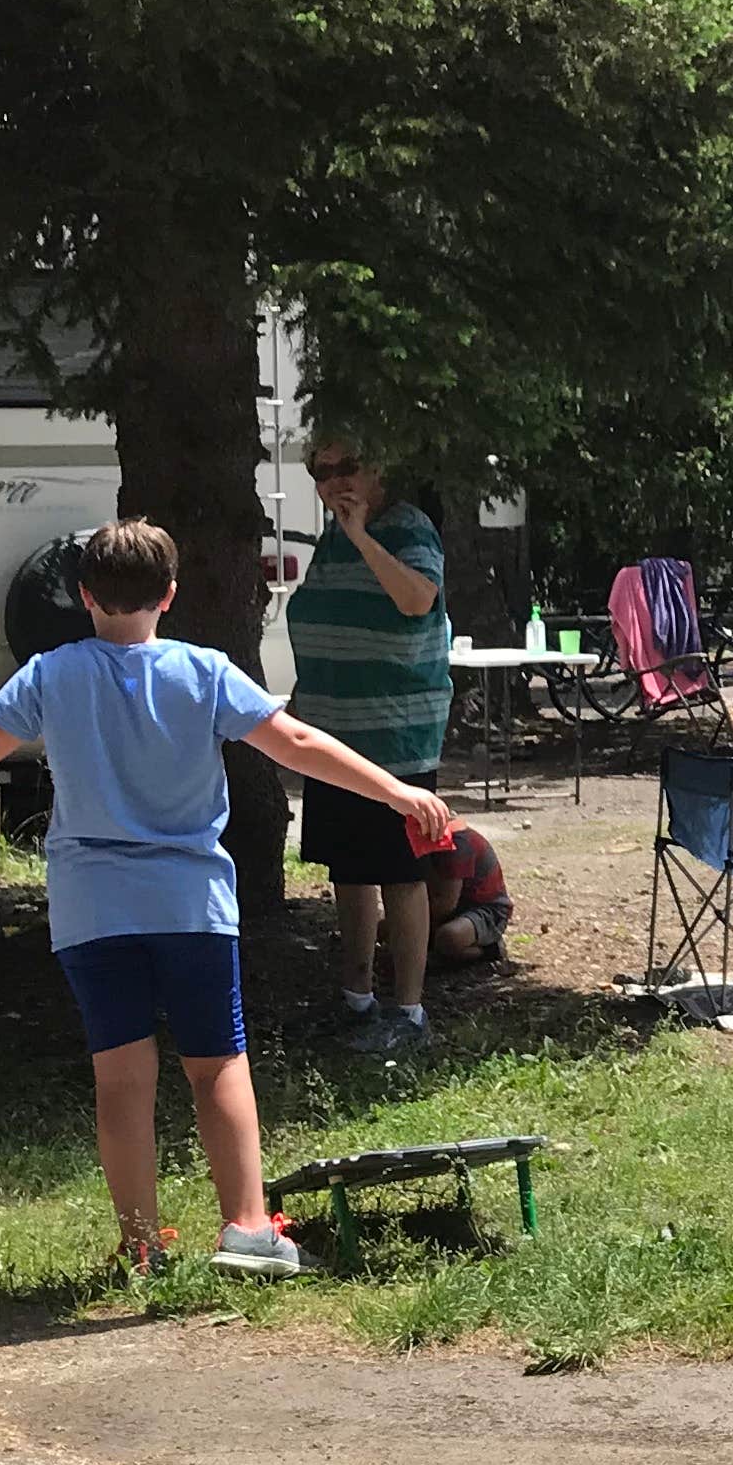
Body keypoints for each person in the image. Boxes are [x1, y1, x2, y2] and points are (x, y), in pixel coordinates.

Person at [0, 517, 456, 1280]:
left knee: (121, 1076)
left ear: (82, 595)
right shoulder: (206, 672)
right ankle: (246, 1228)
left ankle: (141, 1245)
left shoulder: (49, 674)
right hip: (191, 904)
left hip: (92, 909)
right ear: (170, 596)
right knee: (217, 1066)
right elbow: (298, 746)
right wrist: (398, 792)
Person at [285, 430, 458, 1055]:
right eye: (322, 472)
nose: (334, 482)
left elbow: (417, 599)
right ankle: (356, 1000)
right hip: (335, 736)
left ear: (380, 465)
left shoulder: (407, 528)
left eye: (347, 467)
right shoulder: (331, 538)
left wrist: (362, 537)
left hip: (396, 740)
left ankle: (408, 1012)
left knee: (400, 875)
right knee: (351, 874)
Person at [421, 815, 513, 973]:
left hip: (487, 908)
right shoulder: (428, 840)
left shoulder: (456, 843)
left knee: (448, 938)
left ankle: (490, 950)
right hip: (454, 907)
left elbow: (445, 904)